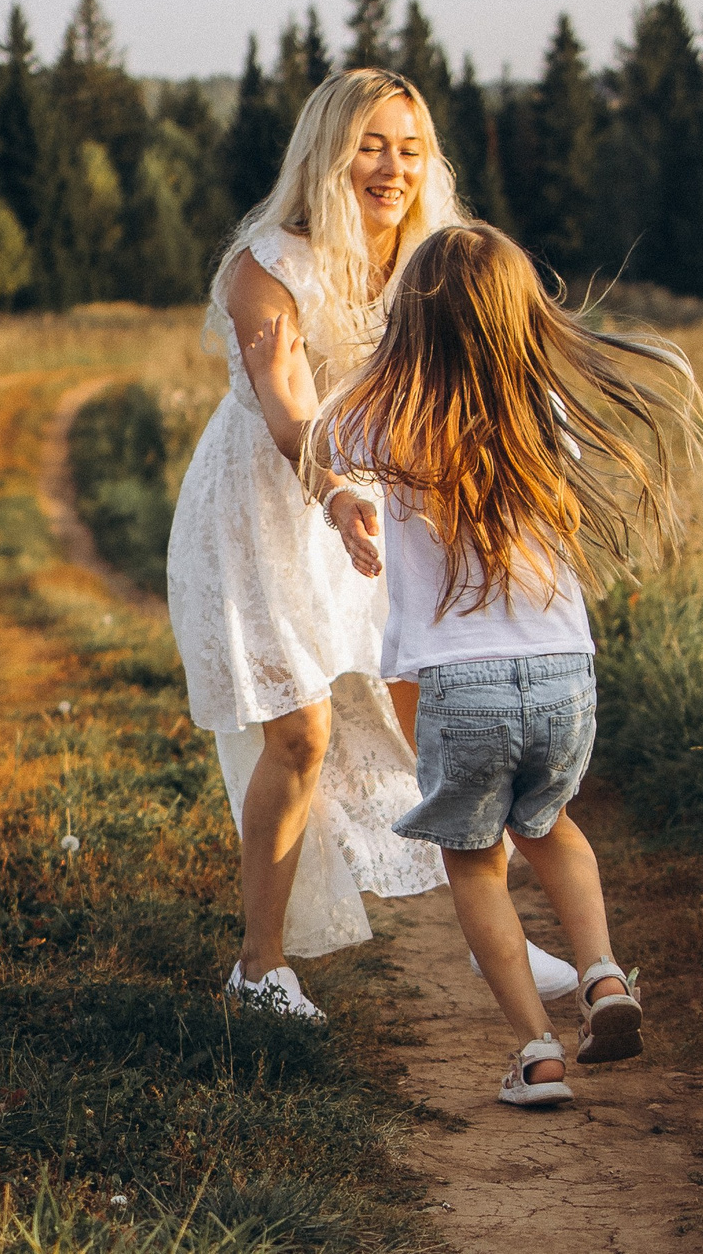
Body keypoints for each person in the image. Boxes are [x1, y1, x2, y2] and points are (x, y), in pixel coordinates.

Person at [165, 67, 574, 1020]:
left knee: (441, 719)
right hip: (266, 513)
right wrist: (335, 491)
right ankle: (260, 969)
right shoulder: (266, 264)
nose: (392, 166)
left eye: (410, 146)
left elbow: (474, 372)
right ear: (328, 151)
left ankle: (496, 940)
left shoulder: (431, 260)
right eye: (371, 144)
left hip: (382, 507)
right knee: (300, 735)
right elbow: (286, 405)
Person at [312, 222, 703, 1106]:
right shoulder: (546, 417)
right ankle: (605, 975)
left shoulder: (390, 415)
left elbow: (323, 439)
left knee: (476, 862)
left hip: (459, 689)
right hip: (562, 676)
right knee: (553, 827)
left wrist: (356, 477)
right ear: (525, 323)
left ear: (411, 327)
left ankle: (538, 1052)